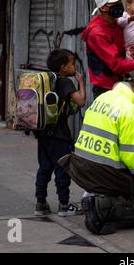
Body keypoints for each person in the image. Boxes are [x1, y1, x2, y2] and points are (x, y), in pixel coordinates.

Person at [58, 70, 134, 235]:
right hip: (102, 173)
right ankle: (102, 210)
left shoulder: (104, 98)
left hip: (79, 166)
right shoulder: (133, 113)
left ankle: (102, 202)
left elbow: (111, 134)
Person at [35, 49, 87, 217]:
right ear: (64, 68)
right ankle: (64, 205)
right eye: (72, 64)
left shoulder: (46, 80)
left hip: (43, 133)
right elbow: (81, 101)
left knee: (44, 168)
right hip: (60, 134)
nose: (75, 67)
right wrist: (81, 83)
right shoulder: (64, 82)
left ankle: (40, 203)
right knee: (62, 169)